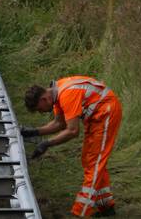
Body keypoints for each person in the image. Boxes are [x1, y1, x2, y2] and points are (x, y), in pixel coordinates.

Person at [22, 76, 121, 217]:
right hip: (96, 117)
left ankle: (80, 212)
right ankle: (105, 205)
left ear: (44, 99)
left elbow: (73, 131)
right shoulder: (56, 93)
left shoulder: (66, 94)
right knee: (89, 160)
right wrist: (33, 132)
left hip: (106, 113)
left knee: (94, 163)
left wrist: (47, 143)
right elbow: (59, 124)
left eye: (40, 109)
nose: (41, 112)